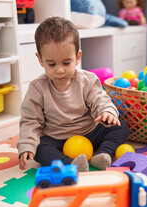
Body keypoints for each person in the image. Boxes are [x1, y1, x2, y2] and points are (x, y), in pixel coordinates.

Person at [17, 17, 129, 172]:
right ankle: (70, 164)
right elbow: (31, 120)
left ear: (77, 57)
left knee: (121, 126)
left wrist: (106, 112)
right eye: (51, 64)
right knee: (39, 149)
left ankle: (103, 153)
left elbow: (99, 99)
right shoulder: (37, 87)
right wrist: (27, 145)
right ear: (40, 59)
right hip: (56, 139)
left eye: (66, 63)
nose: (60, 70)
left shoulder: (88, 80)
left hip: (90, 132)